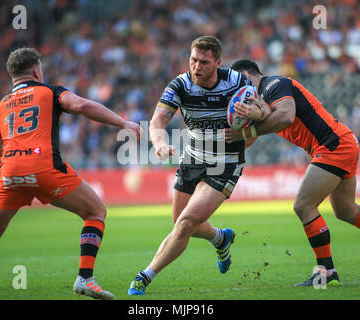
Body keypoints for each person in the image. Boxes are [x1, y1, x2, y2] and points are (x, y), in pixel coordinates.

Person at [0, 47, 141, 300]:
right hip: (45, 168)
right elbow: (80, 105)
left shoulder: (0, 105)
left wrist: (17, 162)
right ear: (36, 70)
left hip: (10, 172)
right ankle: (85, 279)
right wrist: (123, 123)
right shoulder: (51, 91)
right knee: (96, 211)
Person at [127, 36, 256, 295]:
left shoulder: (239, 83)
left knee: (185, 223)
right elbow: (157, 123)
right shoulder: (180, 84)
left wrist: (243, 134)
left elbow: (256, 125)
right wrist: (161, 144)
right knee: (180, 222)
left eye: (204, 62)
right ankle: (221, 238)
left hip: (226, 163)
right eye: (193, 60)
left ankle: (145, 276)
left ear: (218, 63)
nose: (196, 67)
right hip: (193, 158)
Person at [227, 59, 360, 286]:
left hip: (331, 146)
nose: (234, 89)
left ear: (246, 76)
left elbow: (286, 116)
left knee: (303, 206)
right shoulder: (261, 102)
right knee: (346, 211)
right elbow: (254, 135)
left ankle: (326, 273)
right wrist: (232, 139)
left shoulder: (274, 84)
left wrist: (242, 133)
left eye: (236, 81)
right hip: (340, 143)